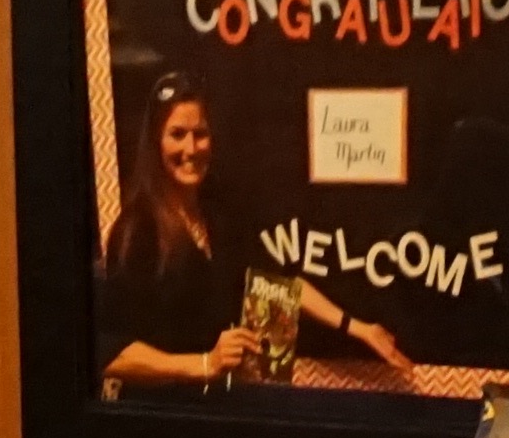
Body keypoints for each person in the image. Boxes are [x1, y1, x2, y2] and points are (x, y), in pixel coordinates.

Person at [94, 77, 412, 391]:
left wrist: (358, 328)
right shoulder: (137, 231)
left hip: (217, 407)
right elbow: (110, 355)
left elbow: (276, 282)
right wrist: (204, 364)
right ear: (155, 142)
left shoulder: (217, 216)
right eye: (177, 134)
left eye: (200, 134)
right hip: (161, 414)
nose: (190, 148)